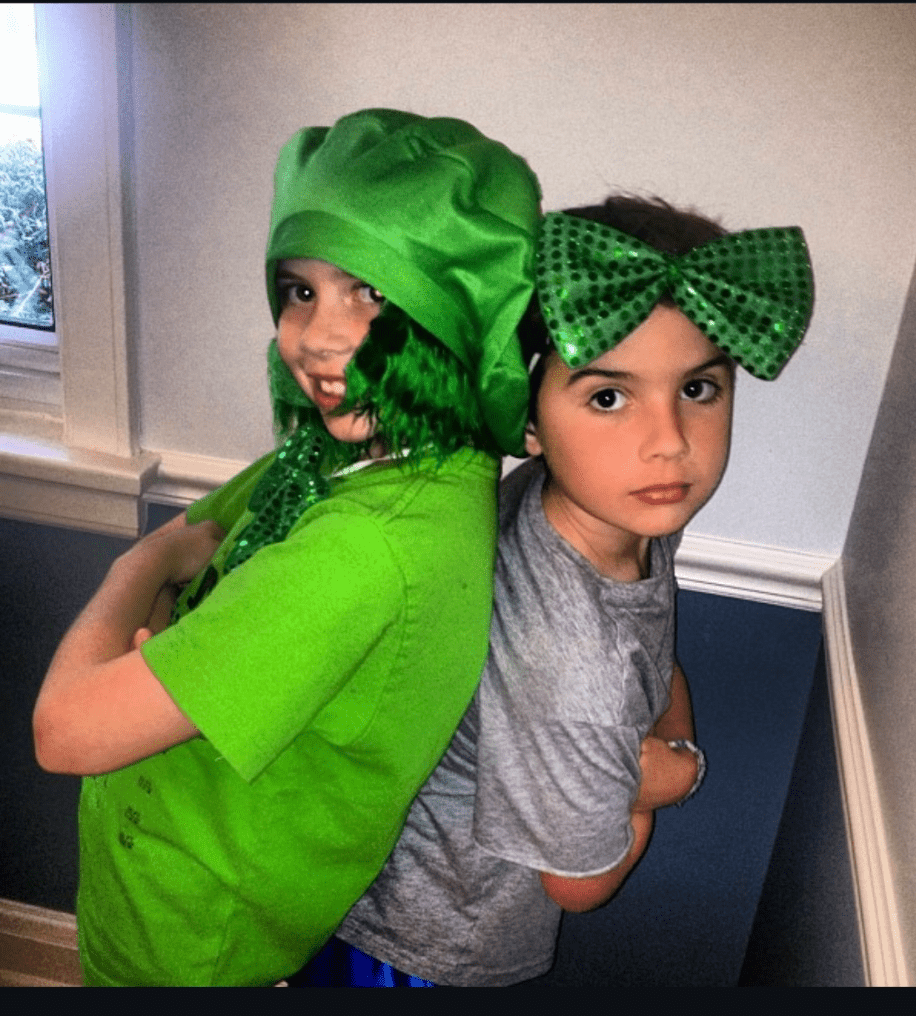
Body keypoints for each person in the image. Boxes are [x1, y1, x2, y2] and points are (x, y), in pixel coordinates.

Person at [32, 108, 542, 986]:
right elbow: (198, 539)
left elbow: (65, 730)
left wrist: (136, 570)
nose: (317, 336)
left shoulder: (364, 550)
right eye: (300, 291)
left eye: (371, 291)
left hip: (188, 936)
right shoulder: (352, 457)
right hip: (157, 878)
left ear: (457, 307)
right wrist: (166, 629)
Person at [297, 194, 814, 986]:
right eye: (608, 397)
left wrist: (654, 734)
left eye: (697, 390)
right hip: (432, 946)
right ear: (526, 420)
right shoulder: (572, 662)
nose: (668, 442)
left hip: (393, 889)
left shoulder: (593, 505)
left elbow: (650, 661)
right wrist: (673, 772)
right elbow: (581, 885)